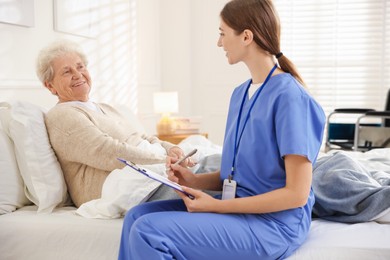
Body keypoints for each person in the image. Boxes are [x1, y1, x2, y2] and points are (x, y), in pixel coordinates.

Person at [118, 0, 326, 259]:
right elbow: (239, 172)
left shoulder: (291, 98)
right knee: (137, 216)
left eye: (222, 33)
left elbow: (296, 194)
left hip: (274, 224)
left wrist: (218, 206)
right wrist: (194, 180)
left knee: (148, 230)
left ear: (246, 36)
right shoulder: (240, 94)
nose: (219, 43)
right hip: (237, 209)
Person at [36, 40, 192, 208]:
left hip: (151, 170)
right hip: (124, 187)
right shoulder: (62, 115)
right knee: (214, 177)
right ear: (50, 86)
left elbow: (143, 137)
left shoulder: (105, 108)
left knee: (215, 169)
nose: (78, 74)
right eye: (67, 72)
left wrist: (170, 148)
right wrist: (165, 161)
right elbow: (108, 152)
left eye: (80, 67)